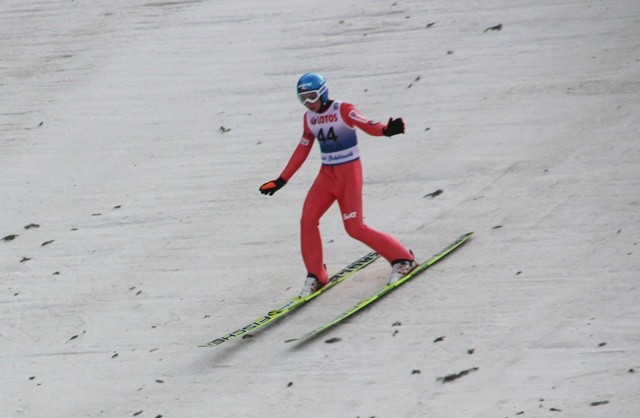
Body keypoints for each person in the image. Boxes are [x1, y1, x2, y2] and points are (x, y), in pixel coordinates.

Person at [260, 73, 416, 297]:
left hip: (348, 174)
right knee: (307, 220)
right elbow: (303, 147)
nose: (308, 103)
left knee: (354, 228)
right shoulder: (309, 118)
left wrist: (385, 130)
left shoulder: (342, 109)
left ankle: (403, 259)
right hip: (326, 175)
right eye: (303, 99)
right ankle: (316, 275)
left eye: (312, 96)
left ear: (323, 92)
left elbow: (366, 123)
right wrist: (281, 179)